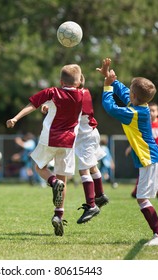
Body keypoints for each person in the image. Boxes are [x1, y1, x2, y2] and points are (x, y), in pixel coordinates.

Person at [97, 58, 158, 246]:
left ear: (134, 96)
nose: (128, 91)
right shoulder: (140, 106)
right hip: (155, 158)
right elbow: (126, 93)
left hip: (148, 160)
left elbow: (110, 107)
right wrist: (112, 79)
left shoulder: (133, 113)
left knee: (142, 199)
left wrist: (107, 87)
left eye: (130, 89)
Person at [6, 64, 84, 236]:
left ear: (61, 81)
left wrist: (15, 118)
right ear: (79, 82)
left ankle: (52, 182)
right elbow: (73, 94)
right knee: (63, 176)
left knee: (39, 168)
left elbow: (32, 104)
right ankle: (58, 214)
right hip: (69, 141)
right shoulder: (82, 95)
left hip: (49, 138)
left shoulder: (52, 92)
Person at [41, 74, 109, 224]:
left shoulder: (78, 95)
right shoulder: (84, 93)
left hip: (85, 137)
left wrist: (50, 106)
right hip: (90, 134)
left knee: (84, 170)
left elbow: (65, 107)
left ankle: (91, 205)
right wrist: (50, 105)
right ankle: (100, 195)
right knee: (92, 167)